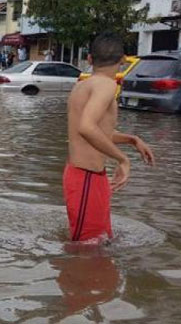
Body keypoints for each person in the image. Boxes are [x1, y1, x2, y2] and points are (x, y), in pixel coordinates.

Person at [63, 32, 154, 242]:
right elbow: (86, 128)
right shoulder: (106, 85)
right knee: (87, 249)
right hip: (86, 177)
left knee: (98, 244)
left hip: (87, 177)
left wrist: (132, 139)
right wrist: (123, 159)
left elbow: (97, 133)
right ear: (123, 60)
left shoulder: (82, 85)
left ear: (89, 59)